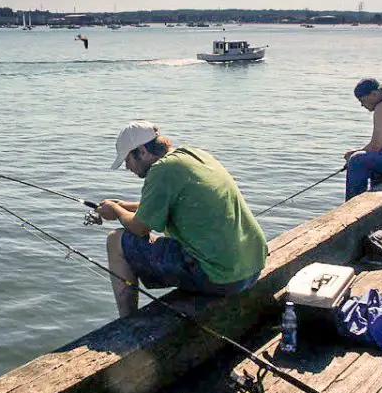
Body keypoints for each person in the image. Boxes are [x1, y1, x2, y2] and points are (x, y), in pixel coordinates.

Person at [97, 121, 268, 318]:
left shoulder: (161, 170)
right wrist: (123, 205)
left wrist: (116, 211)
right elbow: (167, 204)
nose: (127, 167)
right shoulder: (192, 155)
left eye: (127, 159)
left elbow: (139, 228)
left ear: (142, 151)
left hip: (221, 277)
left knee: (116, 240)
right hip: (252, 267)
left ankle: (126, 322)